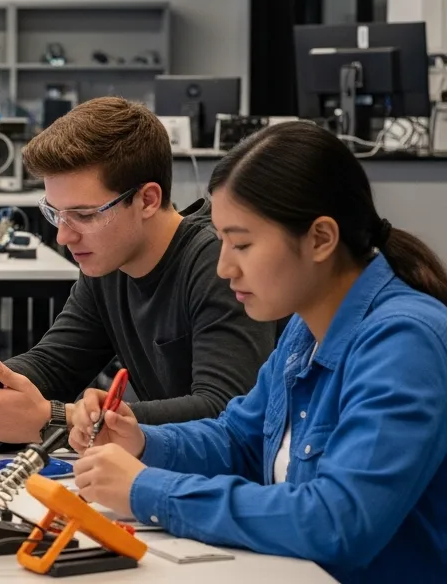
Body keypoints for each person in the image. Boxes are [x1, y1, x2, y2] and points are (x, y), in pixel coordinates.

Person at [72, 121, 447, 580]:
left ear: (320, 239)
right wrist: (143, 442)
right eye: (222, 242)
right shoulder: (305, 329)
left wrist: (147, 489)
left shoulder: (403, 342)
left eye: (242, 244)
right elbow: (239, 439)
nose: (225, 267)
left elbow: (337, 521)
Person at [0, 97, 275, 444]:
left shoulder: (218, 265)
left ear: (147, 200)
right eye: (56, 214)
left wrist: (57, 419)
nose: (64, 236)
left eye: (84, 215)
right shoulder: (109, 262)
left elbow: (225, 411)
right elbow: (55, 364)